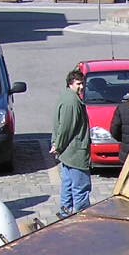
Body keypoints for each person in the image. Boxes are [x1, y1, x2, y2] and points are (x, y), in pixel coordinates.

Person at [50, 69, 91, 216]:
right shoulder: (72, 102)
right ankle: (83, 217)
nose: (81, 87)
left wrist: (58, 145)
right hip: (75, 153)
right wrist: (58, 145)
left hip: (68, 153)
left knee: (67, 184)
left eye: (82, 84)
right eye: (79, 84)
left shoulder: (67, 97)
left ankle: (65, 213)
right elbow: (66, 127)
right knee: (81, 187)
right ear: (70, 83)